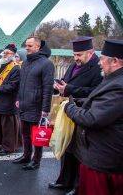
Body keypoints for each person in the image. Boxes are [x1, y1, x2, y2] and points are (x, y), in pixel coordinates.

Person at [64, 39, 123, 195]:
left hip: (103, 161)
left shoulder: (118, 85)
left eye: (102, 58)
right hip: (104, 156)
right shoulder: (114, 79)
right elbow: (101, 102)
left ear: (115, 61)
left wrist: (69, 107)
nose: (99, 63)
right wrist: (78, 101)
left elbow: (93, 118)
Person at [49, 36, 103, 194]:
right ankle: (64, 181)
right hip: (68, 112)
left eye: (79, 54)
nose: (76, 58)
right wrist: (59, 87)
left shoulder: (98, 68)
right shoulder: (74, 65)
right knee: (67, 147)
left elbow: (95, 92)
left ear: (91, 52)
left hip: (83, 111)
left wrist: (69, 89)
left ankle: (77, 186)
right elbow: (66, 83)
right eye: (75, 54)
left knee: (79, 152)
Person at [13, 36, 55, 170]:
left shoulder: (47, 64)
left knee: (36, 135)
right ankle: (26, 155)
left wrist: (45, 109)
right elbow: (21, 84)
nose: (27, 48)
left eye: (30, 46)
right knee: (24, 133)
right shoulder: (25, 62)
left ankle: (36, 161)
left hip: (37, 106)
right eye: (26, 45)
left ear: (38, 47)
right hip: (24, 104)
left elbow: (48, 88)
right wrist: (18, 99)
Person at [0, 43, 21, 155]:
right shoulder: (1, 66)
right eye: (4, 53)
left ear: (14, 55)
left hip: (8, 102)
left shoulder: (16, 69)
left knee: (7, 127)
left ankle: (8, 147)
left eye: (7, 53)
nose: (5, 55)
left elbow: (11, 87)